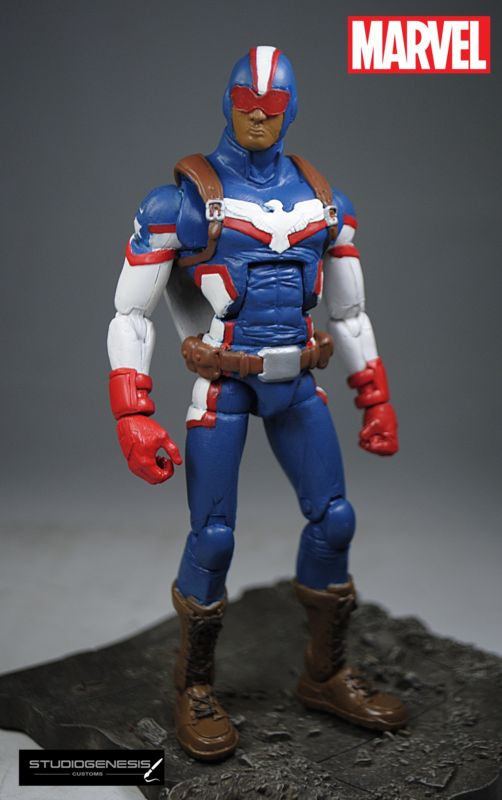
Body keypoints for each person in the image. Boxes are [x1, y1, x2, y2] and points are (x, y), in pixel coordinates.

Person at [107, 46, 407, 762]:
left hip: (298, 384)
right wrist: (132, 413)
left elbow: (350, 312)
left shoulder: (326, 204)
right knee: (212, 539)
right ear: (228, 102)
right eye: (247, 104)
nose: (259, 117)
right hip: (224, 386)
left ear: (291, 108)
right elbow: (130, 314)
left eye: (272, 107)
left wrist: (375, 396)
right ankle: (194, 685)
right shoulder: (180, 204)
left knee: (335, 520)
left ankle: (324, 673)